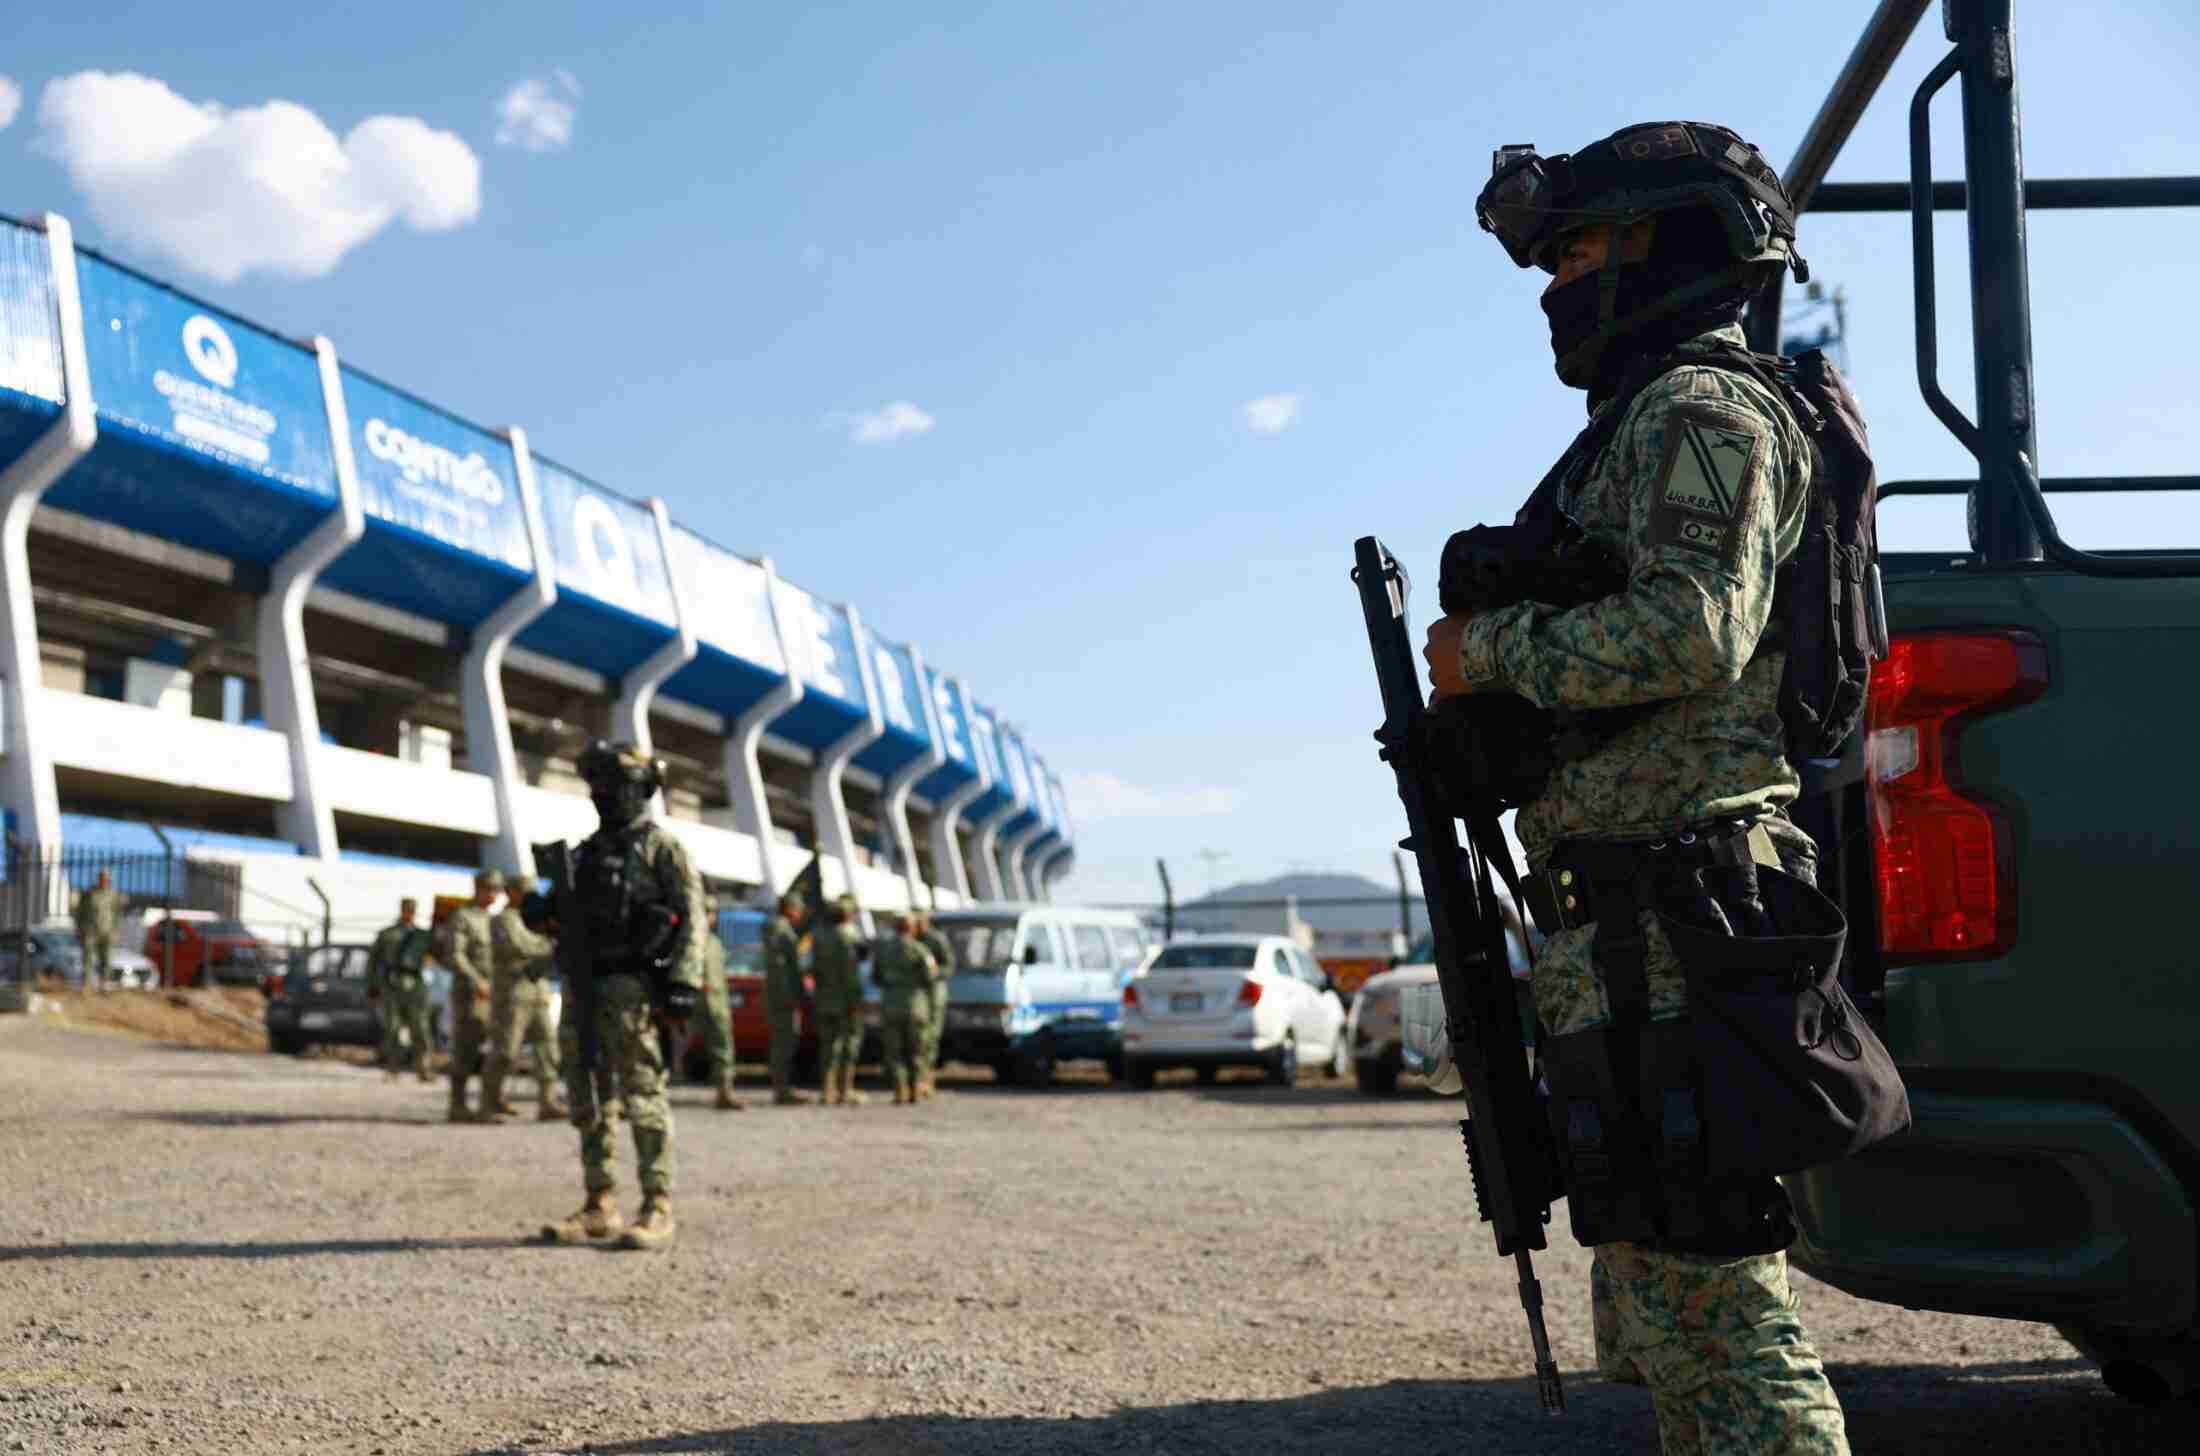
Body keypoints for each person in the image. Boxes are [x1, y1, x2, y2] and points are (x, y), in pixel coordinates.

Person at [1424, 122, 1850, 1453]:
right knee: (1667, 1298)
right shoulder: (1642, 420)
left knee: (1716, 1303)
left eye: (1581, 249)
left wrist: (1483, 651)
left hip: (1681, 918)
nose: (1561, 282)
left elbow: (1690, 631)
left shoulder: (1702, 413)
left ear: (1670, 242)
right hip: (1626, 924)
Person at [543, 741, 705, 1252]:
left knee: (643, 1097)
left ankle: (657, 1204)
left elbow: (693, 916)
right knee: (589, 1094)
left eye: (616, 788)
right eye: (599, 788)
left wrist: (684, 982)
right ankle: (599, 1203)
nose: (605, 796)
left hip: (634, 990)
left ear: (642, 791)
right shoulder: (584, 854)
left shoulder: (662, 849)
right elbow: (559, 920)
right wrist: (539, 912)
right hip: (584, 986)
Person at [482, 890, 564, 1124]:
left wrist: (546, 944)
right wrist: (546, 944)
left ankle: (548, 1102)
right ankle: (489, 1103)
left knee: (548, 1046)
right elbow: (519, 945)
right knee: (506, 1050)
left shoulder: (535, 917)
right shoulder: (504, 919)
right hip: (514, 993)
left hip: (538, 990)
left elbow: (548, 943)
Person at [437, 870, 502, 1124]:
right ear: (479, 888)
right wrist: (477, 981)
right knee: (466, 1048)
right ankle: (458, 1105)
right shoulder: (463, 917)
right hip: (471, 994)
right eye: (491, 889)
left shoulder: (494, 919)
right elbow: (456, 954)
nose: (495, 894)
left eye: (498, 890)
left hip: (496, 992)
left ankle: (490, 1102)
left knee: (496, 1050)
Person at [874, 913, 939, 1105]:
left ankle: (899, 1090)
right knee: (916, 1049)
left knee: (894, 1051)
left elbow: (875, 977)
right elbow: (931, 977)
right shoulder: (921, 950)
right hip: (915, 1006)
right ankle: (915, 1090)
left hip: (891, 1005)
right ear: (912, 928)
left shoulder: (884, 950)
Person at [368, 898, 435, 1083]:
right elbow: (373, 962)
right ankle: (392, 1069)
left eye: (412, 909)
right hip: (393, 985)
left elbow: (435, 956)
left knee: (421, 1029)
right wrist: (373, 986)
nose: (409, 912)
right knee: (393, 1029)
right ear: (401, 910)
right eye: (407, 909)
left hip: (416, 986)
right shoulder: (387, 934)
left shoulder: (423, 936)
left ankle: (424, 1069)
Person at [810, 895, 866, 1107]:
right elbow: (850, 972)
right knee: (849, 1043)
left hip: (825, 998)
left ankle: (827, 1090)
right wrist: (856, 998)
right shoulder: (848, 936)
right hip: (845, 1000)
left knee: (827, 1045)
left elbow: (814, 969)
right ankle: (844, 1090)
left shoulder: (819, 936)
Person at [696, 894, 746, 1110]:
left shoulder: (714, 941)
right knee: (719, 1047)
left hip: (719, 1000)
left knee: (723, 1046)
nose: (710, 917)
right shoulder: (695, 940)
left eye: (711, 913)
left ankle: (724, 1091)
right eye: (707, 912)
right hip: (706, 1001)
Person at [762, 891, 812, 1105]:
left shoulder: (779, 928)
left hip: (780, 994)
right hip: (783, 996)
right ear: (792, 909)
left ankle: (783, 1087)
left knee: (784, 1041)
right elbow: (782, 968)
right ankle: (782, 1090)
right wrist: (790, 995)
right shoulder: (781, 930)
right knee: (783, 1041)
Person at [914, 911, 956, 1101]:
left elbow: (949, 966)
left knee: (930, 1038)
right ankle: (917, 1080)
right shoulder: (910, 940)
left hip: (933, 994)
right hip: (916, 995)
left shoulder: (936, 940)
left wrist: (934, 974)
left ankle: (927, 1079)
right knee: (917, 1038)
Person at [73, 870, 122, 991]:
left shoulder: (113, 895)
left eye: (106, 878)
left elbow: (117, 915)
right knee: (88, 957)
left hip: (106, 930)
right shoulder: (89, 893)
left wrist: (116, 930)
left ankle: (104, 983)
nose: (104, 880)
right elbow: (79, 912)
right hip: (90, 930)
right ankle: (86, 983)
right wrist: (78, 928)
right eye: (102, 878)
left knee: (106, 958)